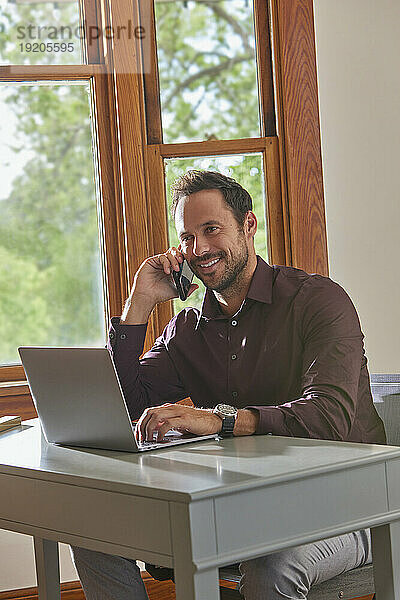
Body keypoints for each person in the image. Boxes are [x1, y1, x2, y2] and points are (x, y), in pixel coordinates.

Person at [71, 170, 385, 599]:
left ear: (249, 226)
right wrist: (139, 302)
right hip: (244, 505)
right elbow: (124, 404)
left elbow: (329, 417)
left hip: (351, 506)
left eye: (211, 230)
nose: (198, 249)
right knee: (92, 534)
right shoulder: (188, 329)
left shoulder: (319, 300)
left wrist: (220, 420)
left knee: (270, 568)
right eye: (186, 237)